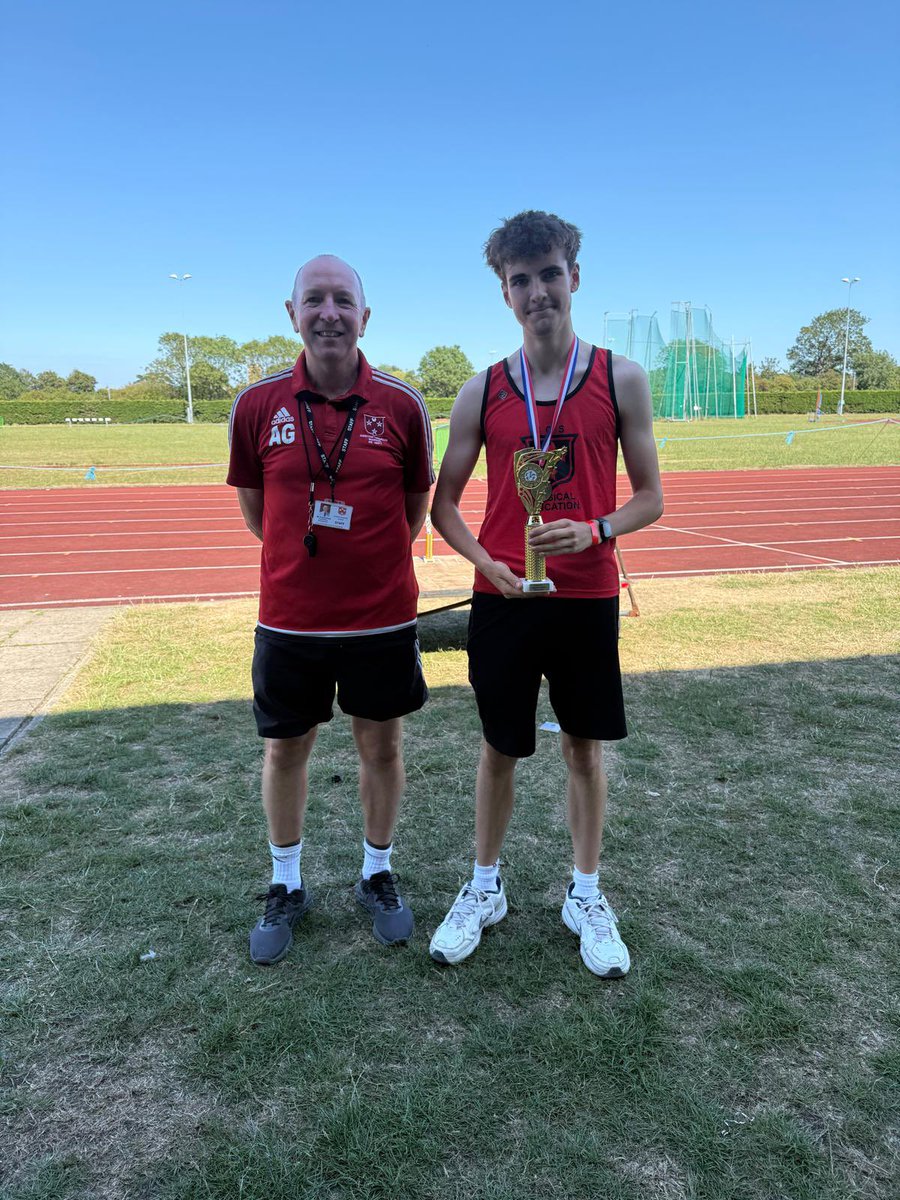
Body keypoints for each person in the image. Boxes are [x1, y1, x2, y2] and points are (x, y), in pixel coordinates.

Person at [428, 212, 663, 978]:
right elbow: (444, 504)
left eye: (549, 274)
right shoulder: (483, 388)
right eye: (520, 280)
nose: (537, 292)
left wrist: (596, 529)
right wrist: (485, 562)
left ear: (575, 277)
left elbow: (651, 499)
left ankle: (585, 893)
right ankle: (485, 886)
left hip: (586, 594)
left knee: (583, 748)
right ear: (505, 293)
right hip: (504, 597)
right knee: (499, 748)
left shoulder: (620, 377)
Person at [227, 254, 434, 965]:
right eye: (313, 299)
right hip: (290, 620)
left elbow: (412, 513)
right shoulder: (256, 405)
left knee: (382, 747)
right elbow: (258, 513)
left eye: (343, 299)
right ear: (292, 314)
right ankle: (287, 882)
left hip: (381, 620)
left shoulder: (402, 406)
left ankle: (377, 871)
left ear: (365, 316)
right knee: (286, 748)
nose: (328, 312)